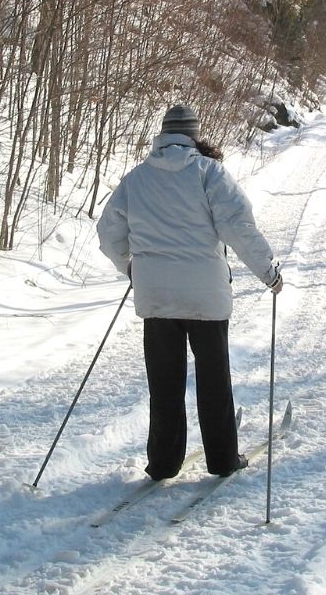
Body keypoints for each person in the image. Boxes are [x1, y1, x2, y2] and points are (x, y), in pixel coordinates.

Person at [96, 104, 283, 480]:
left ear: (163, 134)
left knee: (164, 385)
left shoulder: (136, 178)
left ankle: (163, 463)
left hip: (156, 298)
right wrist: (269, 272)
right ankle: (223, 459)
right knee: (214, 382)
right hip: (206, 298)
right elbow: (238, 227)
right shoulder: (209, 172)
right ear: (193, 134)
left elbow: (108, 233)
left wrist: (131, 267)